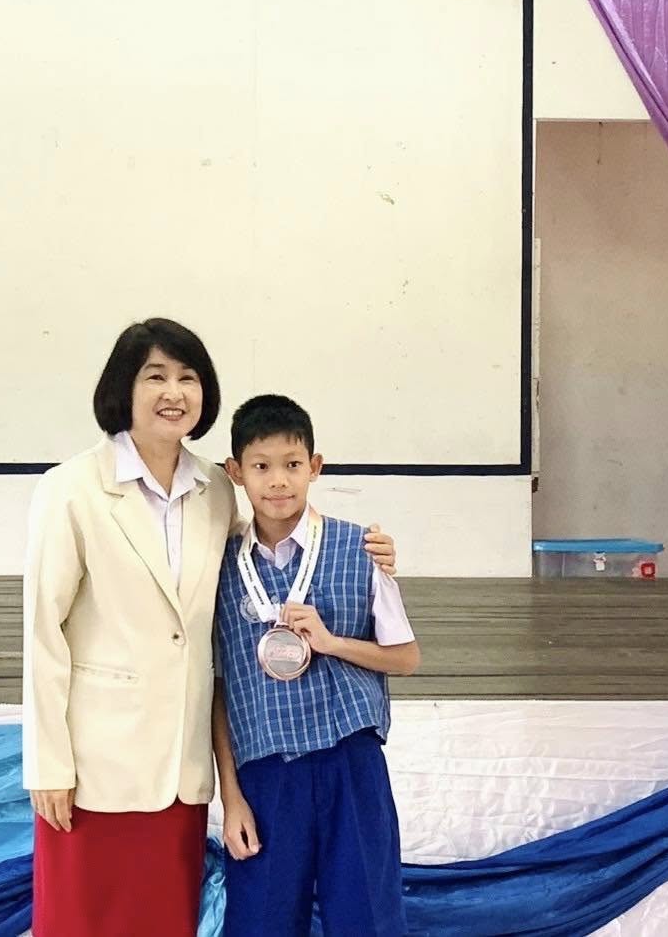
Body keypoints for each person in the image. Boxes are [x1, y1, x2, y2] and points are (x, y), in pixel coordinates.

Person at [22, 319, 396, 937]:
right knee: (82, 919)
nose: (174, 392)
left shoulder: (216, 489)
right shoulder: (70, 490)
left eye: (188, 378)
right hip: (96, 763)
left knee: (168, 920)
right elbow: (43, 633)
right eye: (156, 377)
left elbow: (270, 547)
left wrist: (366, 548)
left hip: (182, 767)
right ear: (123, 388)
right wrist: (48, 766)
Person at [213, 394, 420, 937]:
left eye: (292, 464)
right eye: (261, 466)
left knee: (368, 919)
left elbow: (406, 657)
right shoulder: (218, 566)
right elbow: (219, 687)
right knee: (260, 923)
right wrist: (230, 796)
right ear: (235, 472)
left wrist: (331, 643)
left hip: (350, 761)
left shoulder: (361, 548)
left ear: (315, 467)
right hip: (265, 772)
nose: (278, 481)